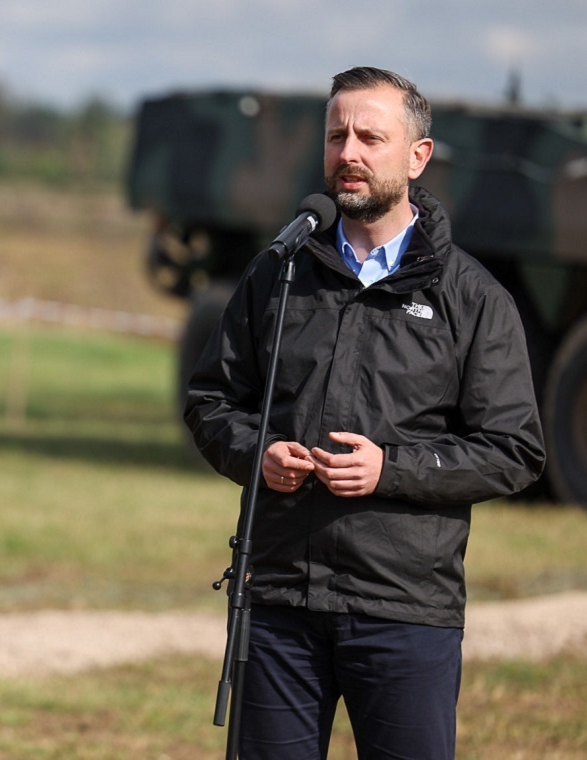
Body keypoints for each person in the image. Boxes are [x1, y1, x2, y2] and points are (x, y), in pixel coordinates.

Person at [184, 67, 545, 759]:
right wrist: (257, 453)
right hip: (281, 603)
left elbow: (514, 448)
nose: (348, 151)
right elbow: (211, 401)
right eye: (336, 135)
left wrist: (391, 470)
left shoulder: (471, 297)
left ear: (417, 156)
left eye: (370, 137)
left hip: (405, 612)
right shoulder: (280, 272)